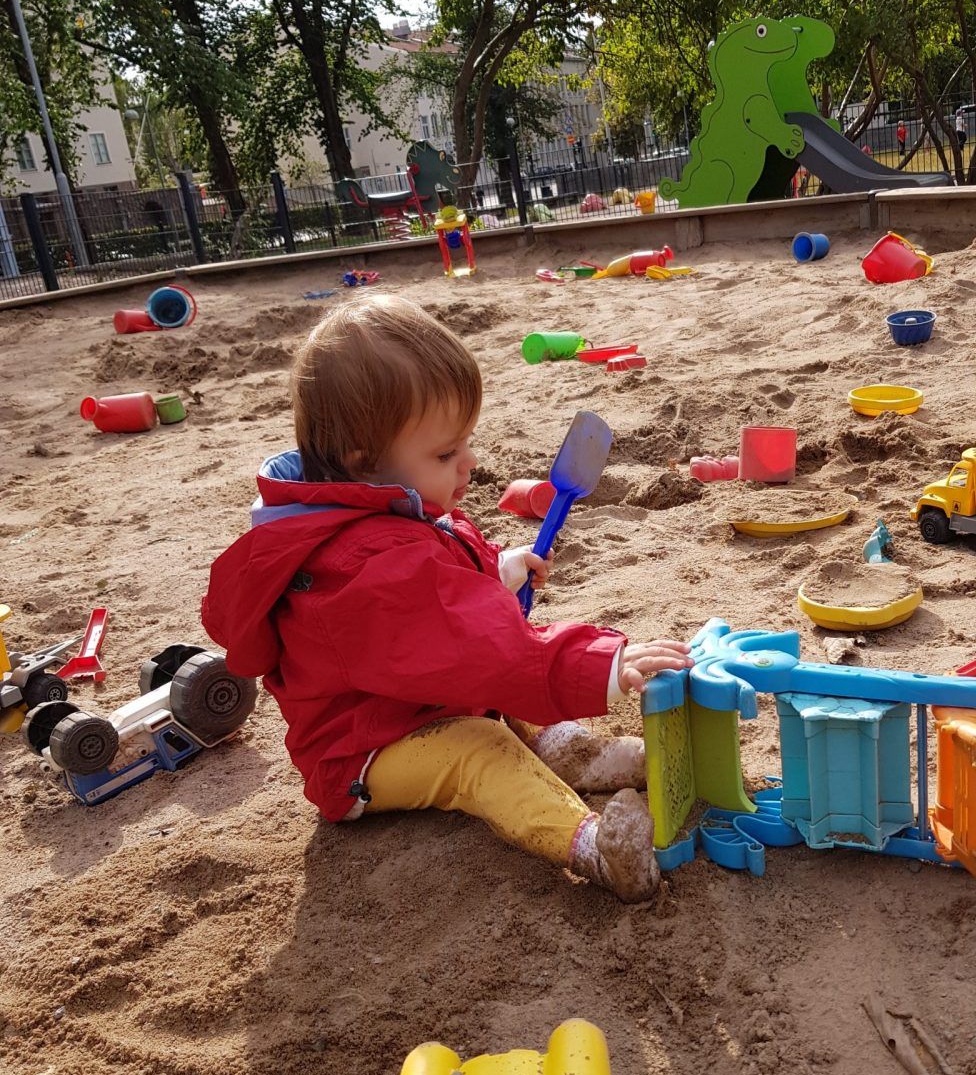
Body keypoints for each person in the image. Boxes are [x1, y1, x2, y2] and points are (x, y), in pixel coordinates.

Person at [202, 293, 692, 902]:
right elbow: (475, 649)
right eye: (445, 453)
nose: (470, 463)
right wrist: (603, 667)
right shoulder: (359, 562)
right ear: (363, 458)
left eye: (465, 443)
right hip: (363, 748)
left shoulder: (384, 506)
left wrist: (497, 571)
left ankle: (580, 756)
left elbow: (440, 591)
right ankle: (591, 847)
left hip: (418, 697)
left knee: (510, 705)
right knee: (479, 749)